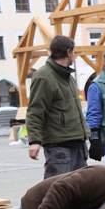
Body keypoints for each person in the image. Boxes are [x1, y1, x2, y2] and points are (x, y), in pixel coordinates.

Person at [26, 35, 88, 179]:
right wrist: (35, 141)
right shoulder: (44, 76)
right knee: (57, 189)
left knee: (80, 189)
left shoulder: (68, 77)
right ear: (68, 52)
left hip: (77, 143)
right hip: (59, 146)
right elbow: (35, 111)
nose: (76, 55)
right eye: (74, 52)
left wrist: (87, 133)